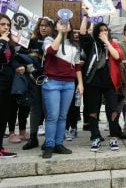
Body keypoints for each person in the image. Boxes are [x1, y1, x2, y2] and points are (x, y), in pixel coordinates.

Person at [79, 16, 125, 152]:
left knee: (113, 109)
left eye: (106, 30)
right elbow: (82, 34)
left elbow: (117, 56)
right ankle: (95, 137)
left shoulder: (113, 43)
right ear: (96, 32)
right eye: (101, 30)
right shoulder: (91, 44)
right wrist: (85, 16)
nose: (104, 32)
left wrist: (108, 43)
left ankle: (113, 136)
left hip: (110, 83)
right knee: (93, 110)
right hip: (93, 82)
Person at [41, 17, 83, 159]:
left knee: (62, 116)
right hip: (52, 82)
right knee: (52, 115)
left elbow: (77, 66)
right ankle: (49, 145)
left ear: (71, 27)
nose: (65, 25)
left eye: (67, 23)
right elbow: (52, 51)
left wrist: (81, 83)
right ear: (56, 26)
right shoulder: (48, 40)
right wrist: (59, 33)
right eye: (61, 23)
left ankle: (59, 143)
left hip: (69, 83)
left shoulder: (75, 45)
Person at [22, 17, 55, 150]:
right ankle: (33, 138)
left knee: (49, 110)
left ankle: (49, 139)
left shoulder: (54, 42)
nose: (43, 28)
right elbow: (23, 57)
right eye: (41, 25)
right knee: (35, 110)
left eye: (46, 26)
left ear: (52, 28)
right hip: (34, 80)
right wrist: (29, 72)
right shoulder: (32, 41)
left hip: (50, 80)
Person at [0, 14, 18, 158]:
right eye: (2, 24)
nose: (6, 27)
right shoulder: (2, 41)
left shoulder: (7, 42)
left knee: (3, 116)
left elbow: (10, 61)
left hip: (7, 83)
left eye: (8, 25)